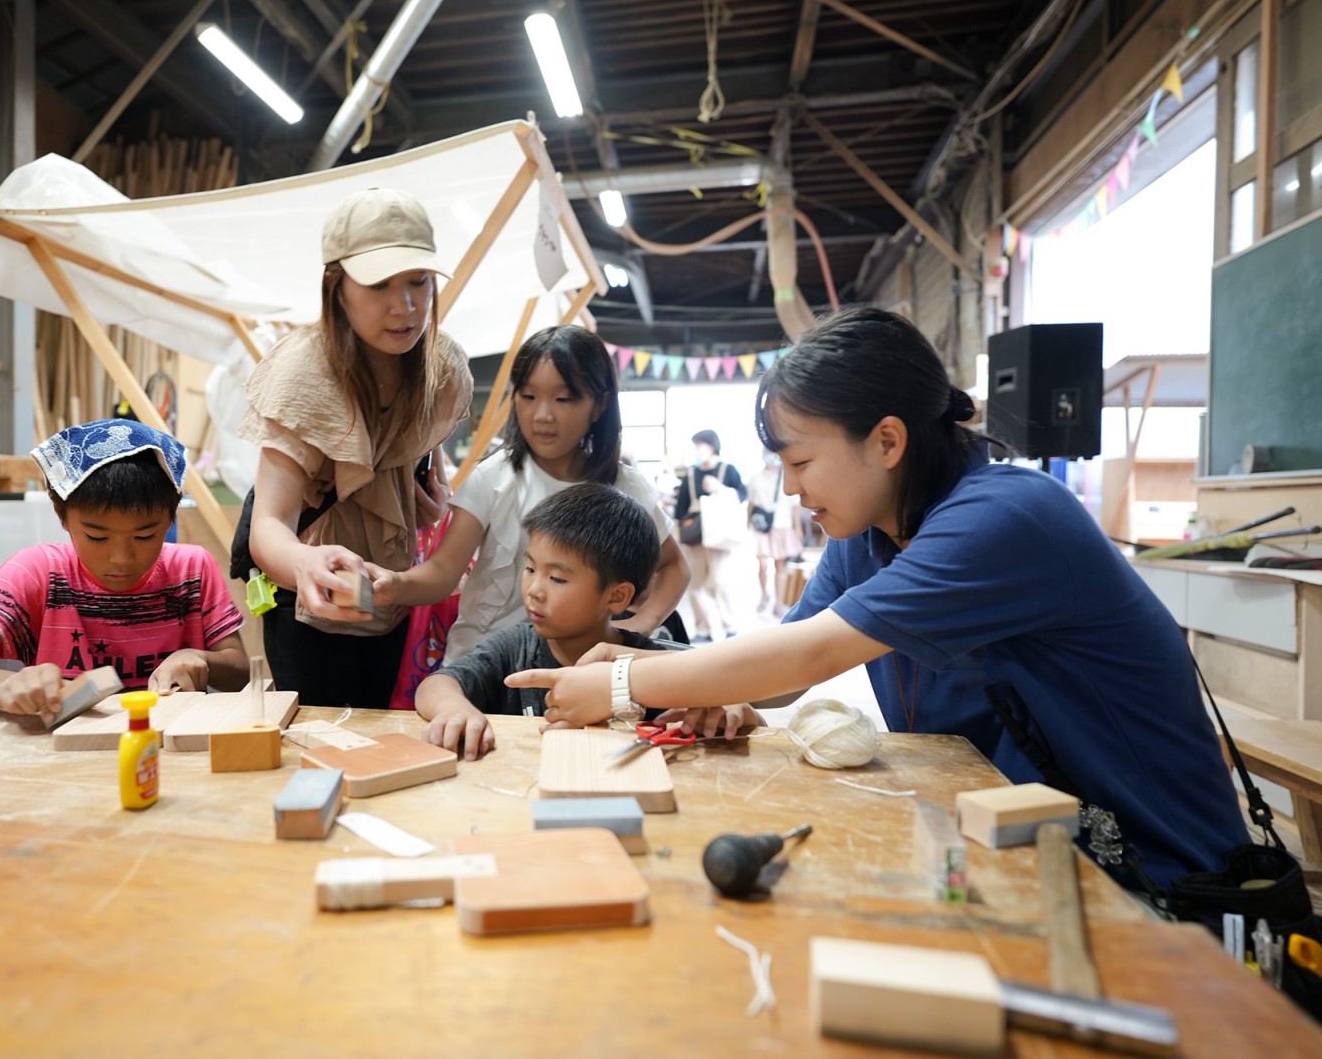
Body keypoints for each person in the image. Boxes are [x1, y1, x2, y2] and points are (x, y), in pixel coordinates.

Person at [508, 307, 1249, 889]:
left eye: (801, 461)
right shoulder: (869, 531)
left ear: (887, 442)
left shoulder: (1006, 519)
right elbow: (789, 669)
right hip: (1020, 838)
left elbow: (816, 649)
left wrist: (622, 680)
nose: (792, 492)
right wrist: (707, 686)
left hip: (1154, 872)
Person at [239, 187, 471, 708]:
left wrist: (433, 500)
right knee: (320, 735)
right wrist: (303, 564)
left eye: (419, 281)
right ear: (336, 286)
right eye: (380, 284)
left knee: (381, 725)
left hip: (391, 586)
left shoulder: (442, 368)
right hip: (307, 593)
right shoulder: (304, 373)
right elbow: (270, 524)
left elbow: (423, 463)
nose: (406, 305)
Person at [370, 324, 688, 663]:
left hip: (579, 671)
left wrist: (641, 626)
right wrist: (396, 584)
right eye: (528, 396)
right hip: (484, 665)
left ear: (600, 404)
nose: (542, 415)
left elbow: (675, 567)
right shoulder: (493, 477)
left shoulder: (626, 486)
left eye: (563, 398)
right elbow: (444, 571)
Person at [0, 420, 248, 722]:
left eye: (145, 535)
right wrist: (5, 686)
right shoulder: (38, 571)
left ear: (172, 516)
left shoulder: (192, 569)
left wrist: (197, 658)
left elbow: (239, 669)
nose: (121, 558)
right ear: (60, 513)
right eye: (97, 537)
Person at [416, 483, 676, 759]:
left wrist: (714, 712)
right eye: (530, 569)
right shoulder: (514, 648)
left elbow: (709, 703)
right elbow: (435, 685)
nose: (533, 590)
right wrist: (454, 708)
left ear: (617, 596)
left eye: (557, 579)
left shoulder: (650, 665)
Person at [671, 428, 747, 642]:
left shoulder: (728, 470)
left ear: (712, 446)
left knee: (720, 582)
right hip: (694, 534)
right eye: (695, 446)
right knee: (696, 583)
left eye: (700, 445)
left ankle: (729, 624)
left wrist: (719, 488)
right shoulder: (691, 473)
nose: (697, 451)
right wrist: (677, 532)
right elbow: (681, 506)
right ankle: (703, 627)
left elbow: (742, 495)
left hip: (719, 534)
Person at [747, 451, 804, 616]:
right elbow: (750, 504)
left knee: (780, 566)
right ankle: (764, 595)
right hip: (761, 527)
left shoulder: (787, 476)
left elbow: (795, 506)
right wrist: (747, 523)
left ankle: (778, 604)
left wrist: (798, 528)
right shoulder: (755, 478)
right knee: (763, 565)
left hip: (783, 526)